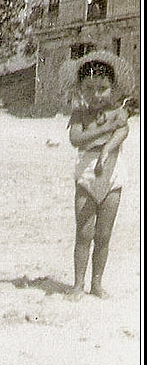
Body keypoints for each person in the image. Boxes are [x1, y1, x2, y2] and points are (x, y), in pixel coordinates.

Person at [62, 50, 135, 298]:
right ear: (81, 90)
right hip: (88, 175)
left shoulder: (117, 112)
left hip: (112, 173)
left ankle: (96, 283)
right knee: (84, 233)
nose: (97, 95)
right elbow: (75, 138)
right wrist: (103, 130)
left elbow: (123, 131)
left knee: (103, 235)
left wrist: (107, 148)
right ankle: (77, 284)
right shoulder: (80, 114)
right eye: (90, 88)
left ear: (113, 89)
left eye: (102, 88)